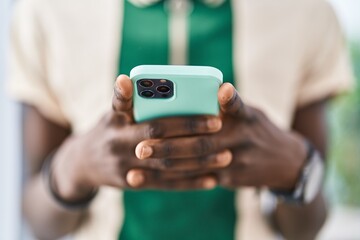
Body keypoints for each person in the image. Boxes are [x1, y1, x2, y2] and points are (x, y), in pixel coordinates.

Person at [8, 0, 354, 239]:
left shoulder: (304, 11)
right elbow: (40, 222)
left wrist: (296, 170)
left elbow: (306, 228)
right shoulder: (48, 11)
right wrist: (73, 167)